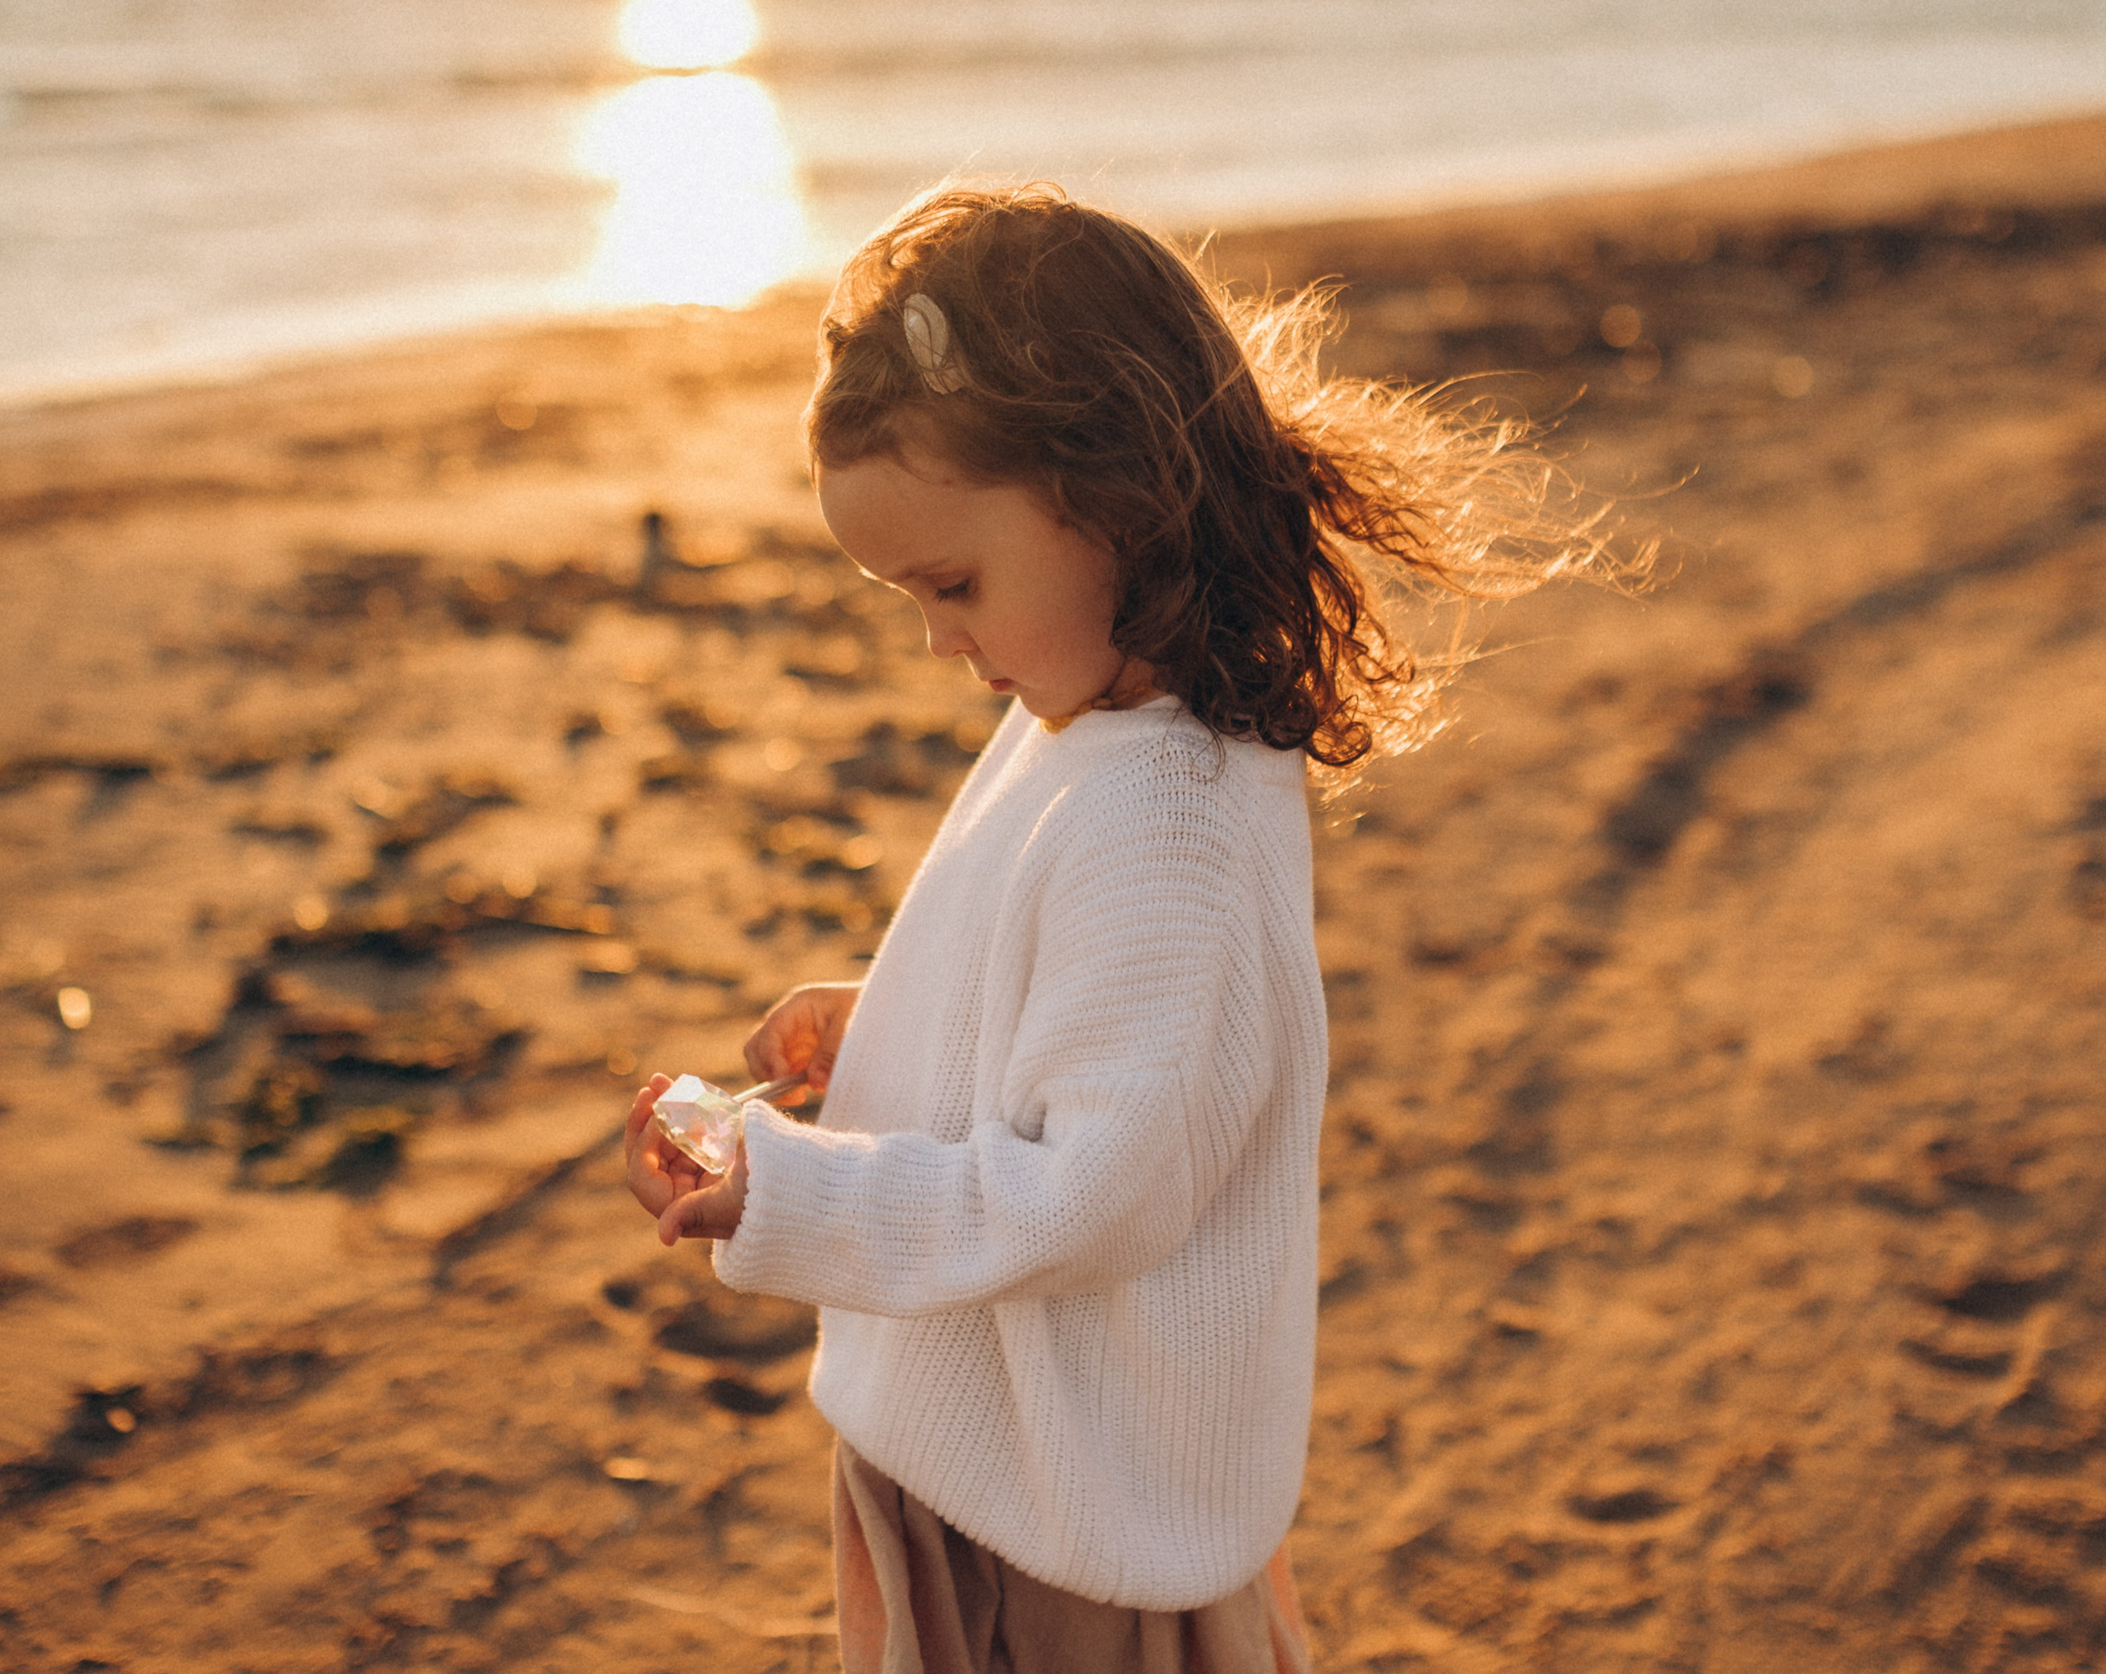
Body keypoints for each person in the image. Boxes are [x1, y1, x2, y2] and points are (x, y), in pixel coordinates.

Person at [624, 182, 1619, 1673]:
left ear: (1118, 497)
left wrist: (795, 1194)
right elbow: (1090, 1028)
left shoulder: (1165, 815)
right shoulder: (1097, 710)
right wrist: (894, 1021)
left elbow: (1093, 1193)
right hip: (1002, 1462)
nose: (937, 639)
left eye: (953, 584)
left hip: (1055, 1532)